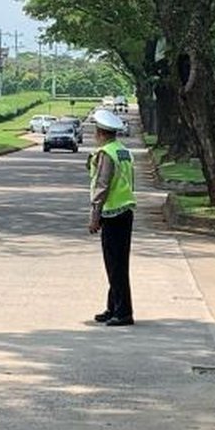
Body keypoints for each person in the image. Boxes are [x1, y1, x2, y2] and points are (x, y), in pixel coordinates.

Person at [88, 108, 136, 326]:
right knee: (117, 263)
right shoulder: (123, 151)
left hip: (112, 212)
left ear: (100, 133)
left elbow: (102, 185)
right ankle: (113, 306)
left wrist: (94, 216)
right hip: (125, 210)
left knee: (115, 264)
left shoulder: (106, 154)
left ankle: (124, 311)